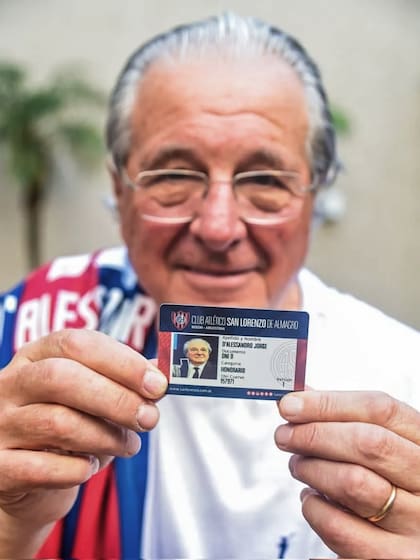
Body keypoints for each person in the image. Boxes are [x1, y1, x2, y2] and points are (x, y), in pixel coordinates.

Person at [0, 12, 419, 559]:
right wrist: (9, 524)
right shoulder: (30, 335)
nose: (218, 228)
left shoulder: (405, 376)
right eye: (174, 176)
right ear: (119, 190)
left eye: (266, 181)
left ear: (317, 193)